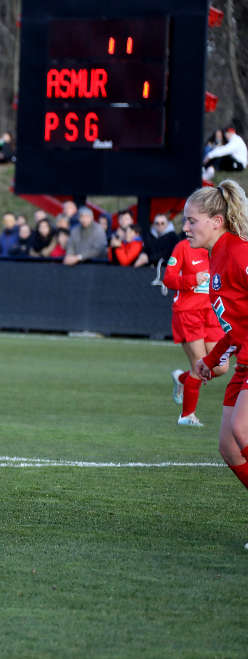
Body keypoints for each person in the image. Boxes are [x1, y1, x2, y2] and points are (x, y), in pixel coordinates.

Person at [186, 182, 248, 530]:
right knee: (229, 447)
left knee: (242, 429)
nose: (187, 227)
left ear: (217, 221)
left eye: (192, 220)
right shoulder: (217, 256)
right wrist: (210, 360)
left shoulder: (239, 252)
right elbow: (235, 327)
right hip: (243, 361)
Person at [163, 236, 225, 427]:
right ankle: (187, 416)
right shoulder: (183, 246)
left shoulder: (222, 247)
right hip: (188, 313)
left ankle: (183, 378)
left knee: (221, 368)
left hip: (212, 312)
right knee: (200, 365)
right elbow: (168, 279)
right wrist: (192, 279)